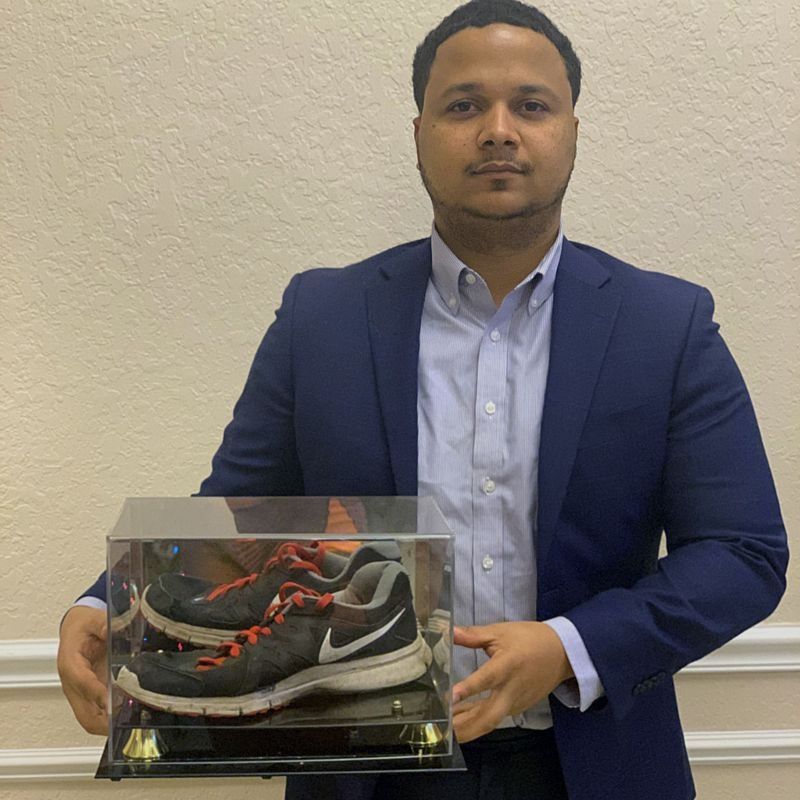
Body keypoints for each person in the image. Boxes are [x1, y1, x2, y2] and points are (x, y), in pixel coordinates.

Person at [57, 2, 788, 799]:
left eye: (531, 105)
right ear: (418, 136)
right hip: (364, 766)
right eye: (464, 106)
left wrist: (568, 647)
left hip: (595, 764)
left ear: (572, 132)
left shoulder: (666, 326)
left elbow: (742, 554)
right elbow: (238, 512)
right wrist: (112, 602)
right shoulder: (321, 318)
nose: (499, 131)